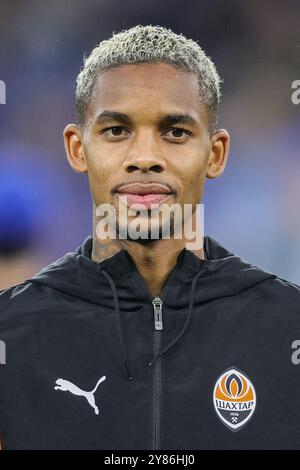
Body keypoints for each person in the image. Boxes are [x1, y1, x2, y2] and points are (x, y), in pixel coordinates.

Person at [0, 24, 300, 450]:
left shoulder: (288, 326)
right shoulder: (11, 334)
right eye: (116, 131)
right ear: (77, 148)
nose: (145, 158)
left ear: (215, 154)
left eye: (175, 132)